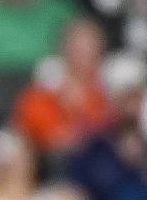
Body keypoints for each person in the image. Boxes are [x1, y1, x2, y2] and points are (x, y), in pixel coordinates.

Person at [10, 16, 112, 158]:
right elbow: (30, 131)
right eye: (77, 45)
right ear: (63, 47)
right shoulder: (42, 92)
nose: (83, 52)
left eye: (90, 45)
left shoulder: (108, 93)